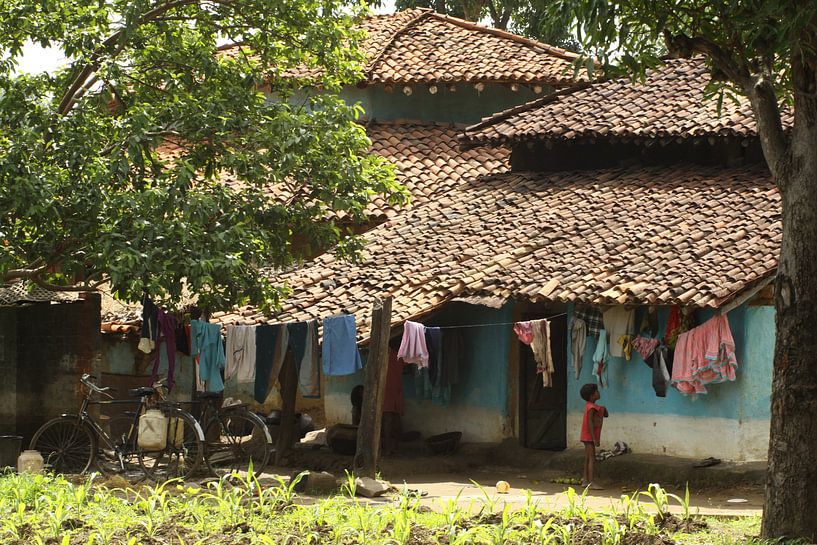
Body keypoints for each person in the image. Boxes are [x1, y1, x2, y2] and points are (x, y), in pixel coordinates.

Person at [579, 383, 609, 490]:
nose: (598, 392)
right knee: (592, 459)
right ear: (592, 395)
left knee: (587, 458)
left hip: (586, 435)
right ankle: (591, 482)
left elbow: (605, 414)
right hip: (589, 436)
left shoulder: (590, 406)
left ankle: (585, 480)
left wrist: (602, 409)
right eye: (596, 391)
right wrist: (594, 438)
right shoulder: (591, 407)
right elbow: (590, 423)